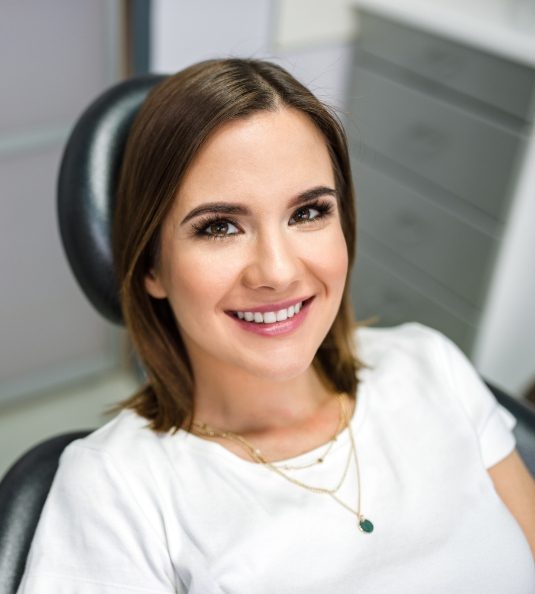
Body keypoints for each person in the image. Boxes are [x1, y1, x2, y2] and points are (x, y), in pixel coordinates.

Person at [18, 58, 535, 594]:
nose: (279, 271)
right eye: (219, 227)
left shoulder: (431, 366)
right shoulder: (113, 488)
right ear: (151, 266)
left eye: (308, 212)